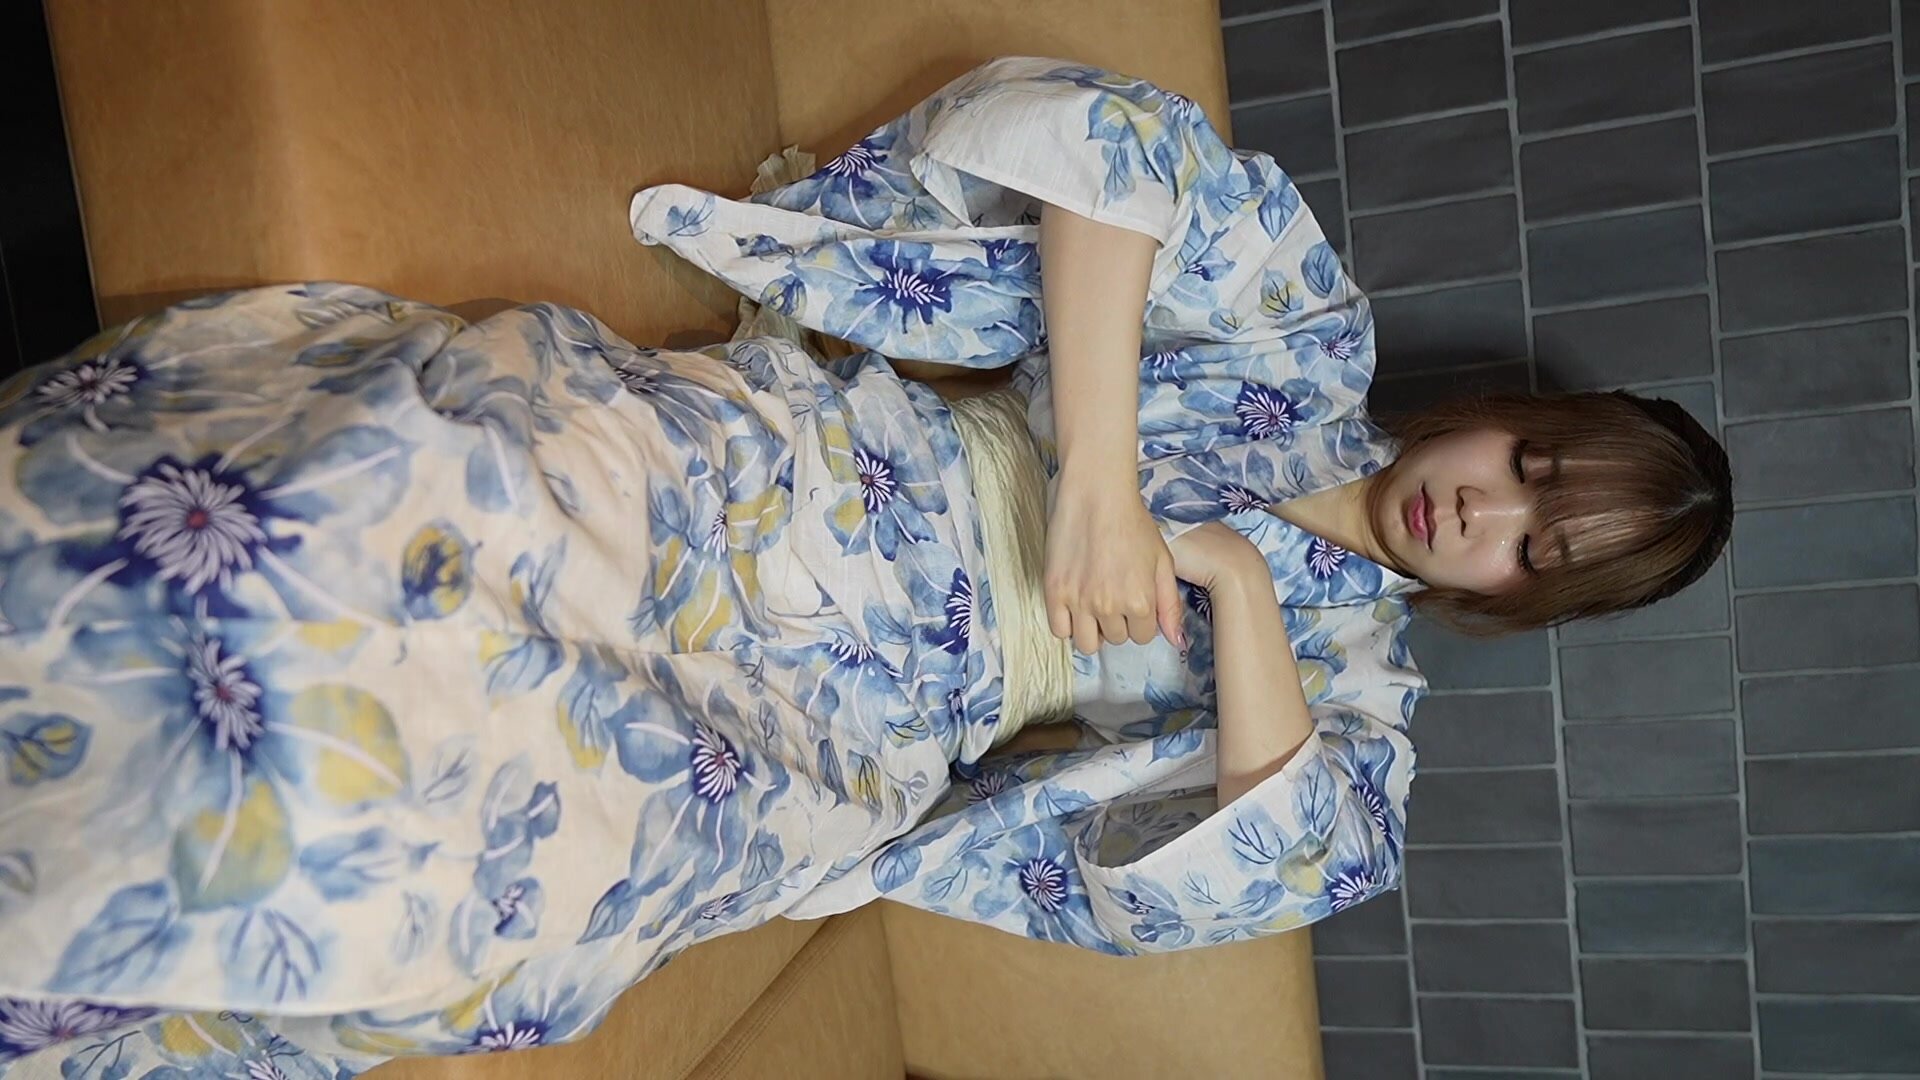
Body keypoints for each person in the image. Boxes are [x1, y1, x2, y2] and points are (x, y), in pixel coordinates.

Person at [0, 57, 1729, 1078]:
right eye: (1526, 467)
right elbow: (1107, 148)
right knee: (423, 488)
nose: (1482, 512)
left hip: (852, 728)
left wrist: (1239, 579)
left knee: (487, 880)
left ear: (1518, 599)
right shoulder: (1305, 351)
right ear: (1502, 417)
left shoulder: (1354, 696)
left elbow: (1286, 863)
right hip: (819, 473)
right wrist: (1098, 481)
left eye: (1532, 546)